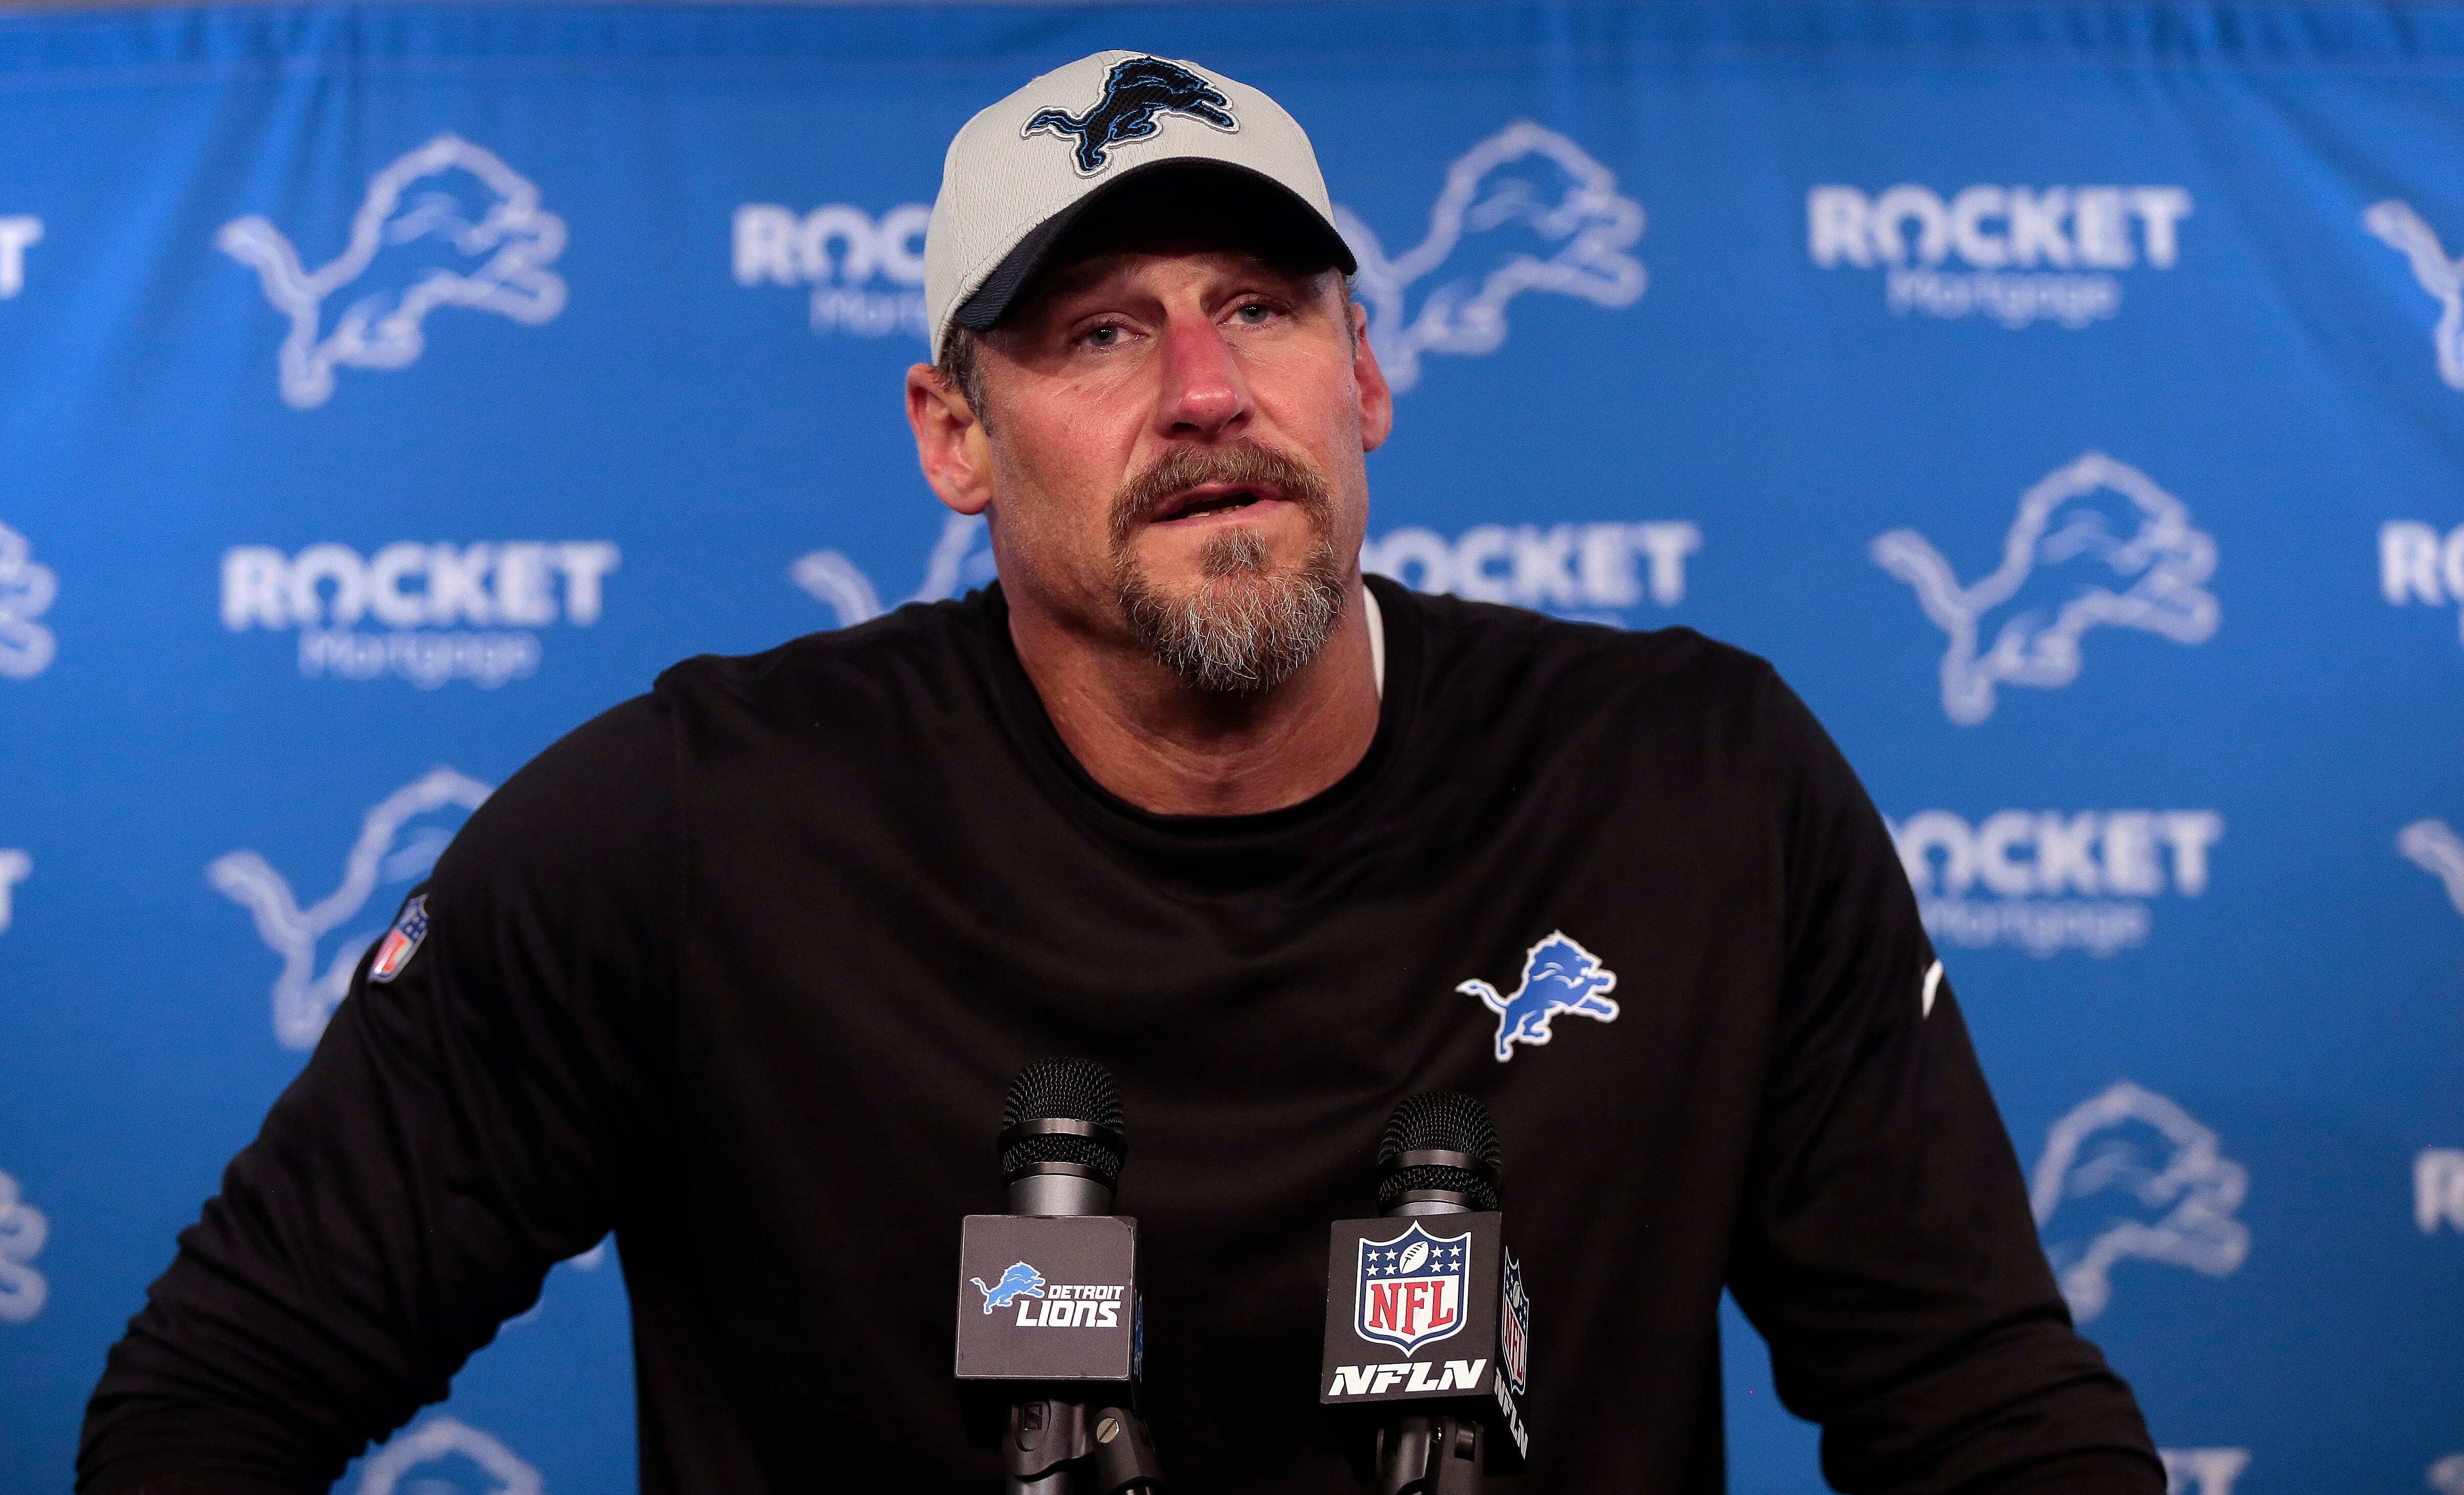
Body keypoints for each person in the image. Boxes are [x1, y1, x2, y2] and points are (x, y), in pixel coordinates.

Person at [80, 51, 2163, 1495]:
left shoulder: (1695, 782)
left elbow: (1978, 1407)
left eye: (1258, 305)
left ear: (1361, 376)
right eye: (1092, 332)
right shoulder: (697, 828)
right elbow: (220, 1388)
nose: (1199, 391)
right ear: (952, 435)